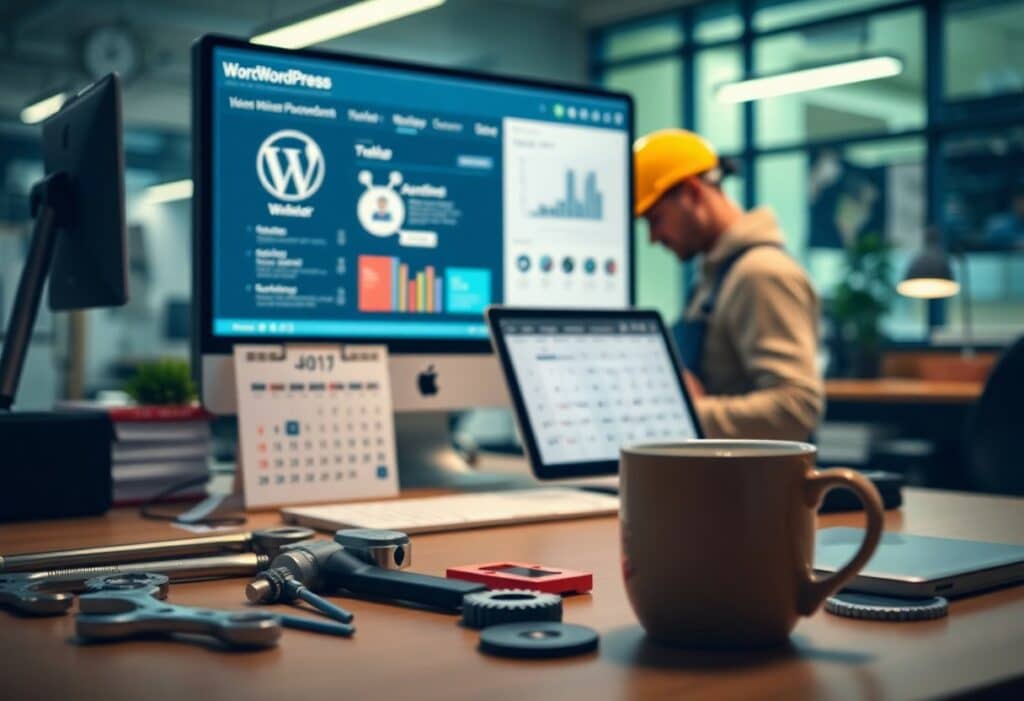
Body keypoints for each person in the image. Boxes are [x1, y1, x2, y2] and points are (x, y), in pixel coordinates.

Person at [633, 129, 824, 440]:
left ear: (692, 193)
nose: (653, 238)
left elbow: (796, 408)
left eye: (655, 219)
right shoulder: (715, 276)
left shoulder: (761, 273)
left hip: (756, 486)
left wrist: (679, 413)